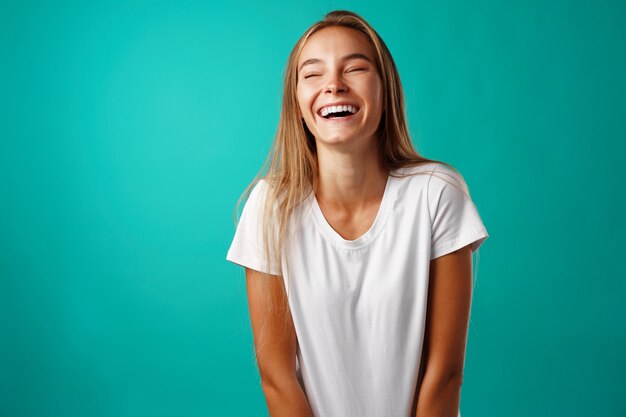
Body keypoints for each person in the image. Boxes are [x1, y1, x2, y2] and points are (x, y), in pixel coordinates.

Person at [226, 10, 489, 417]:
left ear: (386, 92)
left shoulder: (437, 194)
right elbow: (277, 376)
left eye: (355, 68)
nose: (334, 85)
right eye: (313, 74)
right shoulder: (269, 208)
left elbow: (445, 374)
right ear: (296, 103)